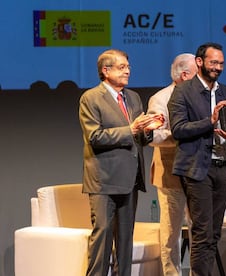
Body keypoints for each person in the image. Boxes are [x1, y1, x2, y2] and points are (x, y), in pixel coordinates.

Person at [79, 49, 163, 276]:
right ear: (105, 71)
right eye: (122, 67)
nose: (128, 71)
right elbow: (95, 137)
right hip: (104, 180)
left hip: (130, 179)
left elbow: (139, 138)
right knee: (103, 236)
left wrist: (148, 130)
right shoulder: (91, 98)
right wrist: (131, 129)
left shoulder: (133, 97)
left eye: (128, 66)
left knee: (126, 240)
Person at [168, 42, 226, 276]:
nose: (217, 67)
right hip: (197, 169)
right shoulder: (183, 91)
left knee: (214, 233)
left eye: (221, 63)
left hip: (222, 167)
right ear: (199, 62)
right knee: (202, 232)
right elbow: (178, 129)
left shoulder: (225, 91)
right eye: (213, 62)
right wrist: (209, 121)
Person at [147, 53, 198, 275]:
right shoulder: (160, 99)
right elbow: (153, 137)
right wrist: (182, 134)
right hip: (170, 174)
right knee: (171, 233)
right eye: (198, 71)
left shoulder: (201, 95)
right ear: (185, 75)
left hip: (198, 172)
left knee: (200, 229)